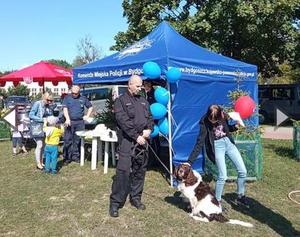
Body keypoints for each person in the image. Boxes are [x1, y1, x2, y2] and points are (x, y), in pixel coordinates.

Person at [187, 104, 249, 208]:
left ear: (220, 115)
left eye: (215, 121)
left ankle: (240, 196)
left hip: (229, 144)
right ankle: (217, 202)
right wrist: (189, 161)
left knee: (243, 171)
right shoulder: (204, 122)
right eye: (212, 121)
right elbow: (199, 142)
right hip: (217, 146)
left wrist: (235, 126)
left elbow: (225, 129)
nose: (213, 122)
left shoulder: (223, 115)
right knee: (223, 176)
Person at [109, 75, 154, 218]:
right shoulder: (120, 101)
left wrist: (149, 129)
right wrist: (136, 136)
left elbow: (150, 118)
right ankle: (115, 203)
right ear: (129, 85)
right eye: (138, 86)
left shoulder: (143, 101)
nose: (140, 88)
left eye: (141, 86)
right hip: (127, 141)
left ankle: (136, 198)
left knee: (140, 171)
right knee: (123, 173)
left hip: (143, 141)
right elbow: (123, 122)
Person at [62, 84, 93, 165]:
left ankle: (76, 156)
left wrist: (87, 115)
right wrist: (67, 119)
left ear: (79, 92)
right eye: (73, 93)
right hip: (69, 121)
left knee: (78, 140)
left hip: (80, 122)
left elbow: (90, 107)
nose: (74, 95)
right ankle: (67, 157)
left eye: (76, 93)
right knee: (67, 140)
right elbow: (65, 109)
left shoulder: (83, 98)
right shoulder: (67, 98)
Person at [29, 91, 54, 170]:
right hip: (37, 127)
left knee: (43, 145)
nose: (49, 102)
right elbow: (31, 115)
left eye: (51, 100)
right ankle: (38, 164)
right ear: (44, 98)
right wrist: (41, 119)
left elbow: (49, 115)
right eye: (48, 100)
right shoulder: (37, 103)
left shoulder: (48, 106)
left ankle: (41, 161)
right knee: (39, 145)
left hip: (44, 127)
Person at [143, 80, 160, 168]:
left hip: (154, 121)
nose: (145, 85)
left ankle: (155, 160)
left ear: (150, 84)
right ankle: (151, 160)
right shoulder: (146, 93)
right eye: (144, 84)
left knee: (154, 141)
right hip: (148, 120)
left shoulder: (154, 94)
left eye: (147, 83)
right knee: (150, 141)